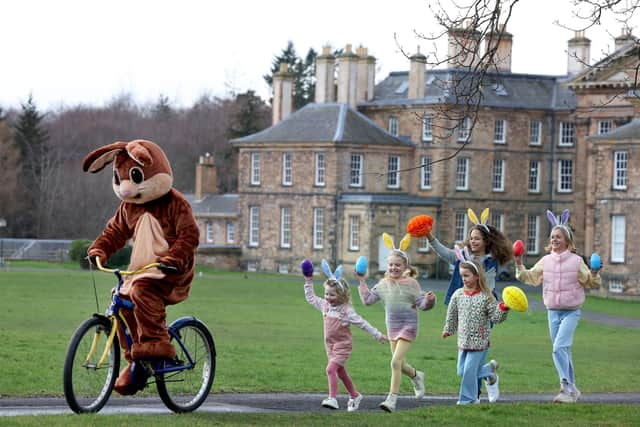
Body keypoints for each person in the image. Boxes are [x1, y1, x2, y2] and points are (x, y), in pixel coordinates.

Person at [515, 209, 601, 403]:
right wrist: (519, 263)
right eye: (552, 236)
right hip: (552, 312)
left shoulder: (577, 261)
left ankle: (565, 389)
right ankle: (574, 390)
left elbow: (591, 282)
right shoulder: (546, 261)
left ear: (567, 241)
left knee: (558, 348)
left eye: (558, 237)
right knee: (564, 350)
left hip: (571, 312)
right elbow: (529, 277)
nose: (554, 239)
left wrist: (594, 273)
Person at [357, 234, 436, 412]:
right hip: (392, 328)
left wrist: (430, 300)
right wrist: (362, 281)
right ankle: (416, 376)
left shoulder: (412, 284)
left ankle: (391, 400)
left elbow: (422, 305)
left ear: (405, 266)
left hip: (408, 327)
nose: (393, 268)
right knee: (399, 363)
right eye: (391, 264)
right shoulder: (383, 284)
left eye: (397, 265)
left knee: (394, 363)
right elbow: (367, 300)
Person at [304, 261, 388, 412]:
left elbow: (362, 323)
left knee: (330, 369)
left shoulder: (346, 311)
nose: (328, 297)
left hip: (343, 345)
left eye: (332, 294)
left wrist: (378, 335)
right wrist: (308, 280)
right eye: (326, 293)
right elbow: (311, 298)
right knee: (340, 372)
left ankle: (333, 398)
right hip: (330, 346)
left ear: (341, 295)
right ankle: (355, 395)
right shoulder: (325, 306)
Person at [442, 247, 509, 405]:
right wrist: (448, 329)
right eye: (461, 276)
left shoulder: (487, 296)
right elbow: (452, 314)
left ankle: (467, 400)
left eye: (466, 275)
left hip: (480, 341)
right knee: (461, 371)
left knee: (468, 371)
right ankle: (490, 371)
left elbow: (496, 317)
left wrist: (503, 309)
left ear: (477, 276)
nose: (463, 279)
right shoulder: (458, 294)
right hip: (463, 341)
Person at [427, 208, 512, 304]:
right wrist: (428, 235)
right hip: (460, 305)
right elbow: (444, 252)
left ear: (486, 241)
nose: (472, 241)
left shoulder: (491, 261)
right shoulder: (462, 256)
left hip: (481, 306)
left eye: (477, 239)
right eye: (471, 238)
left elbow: (488, 286)